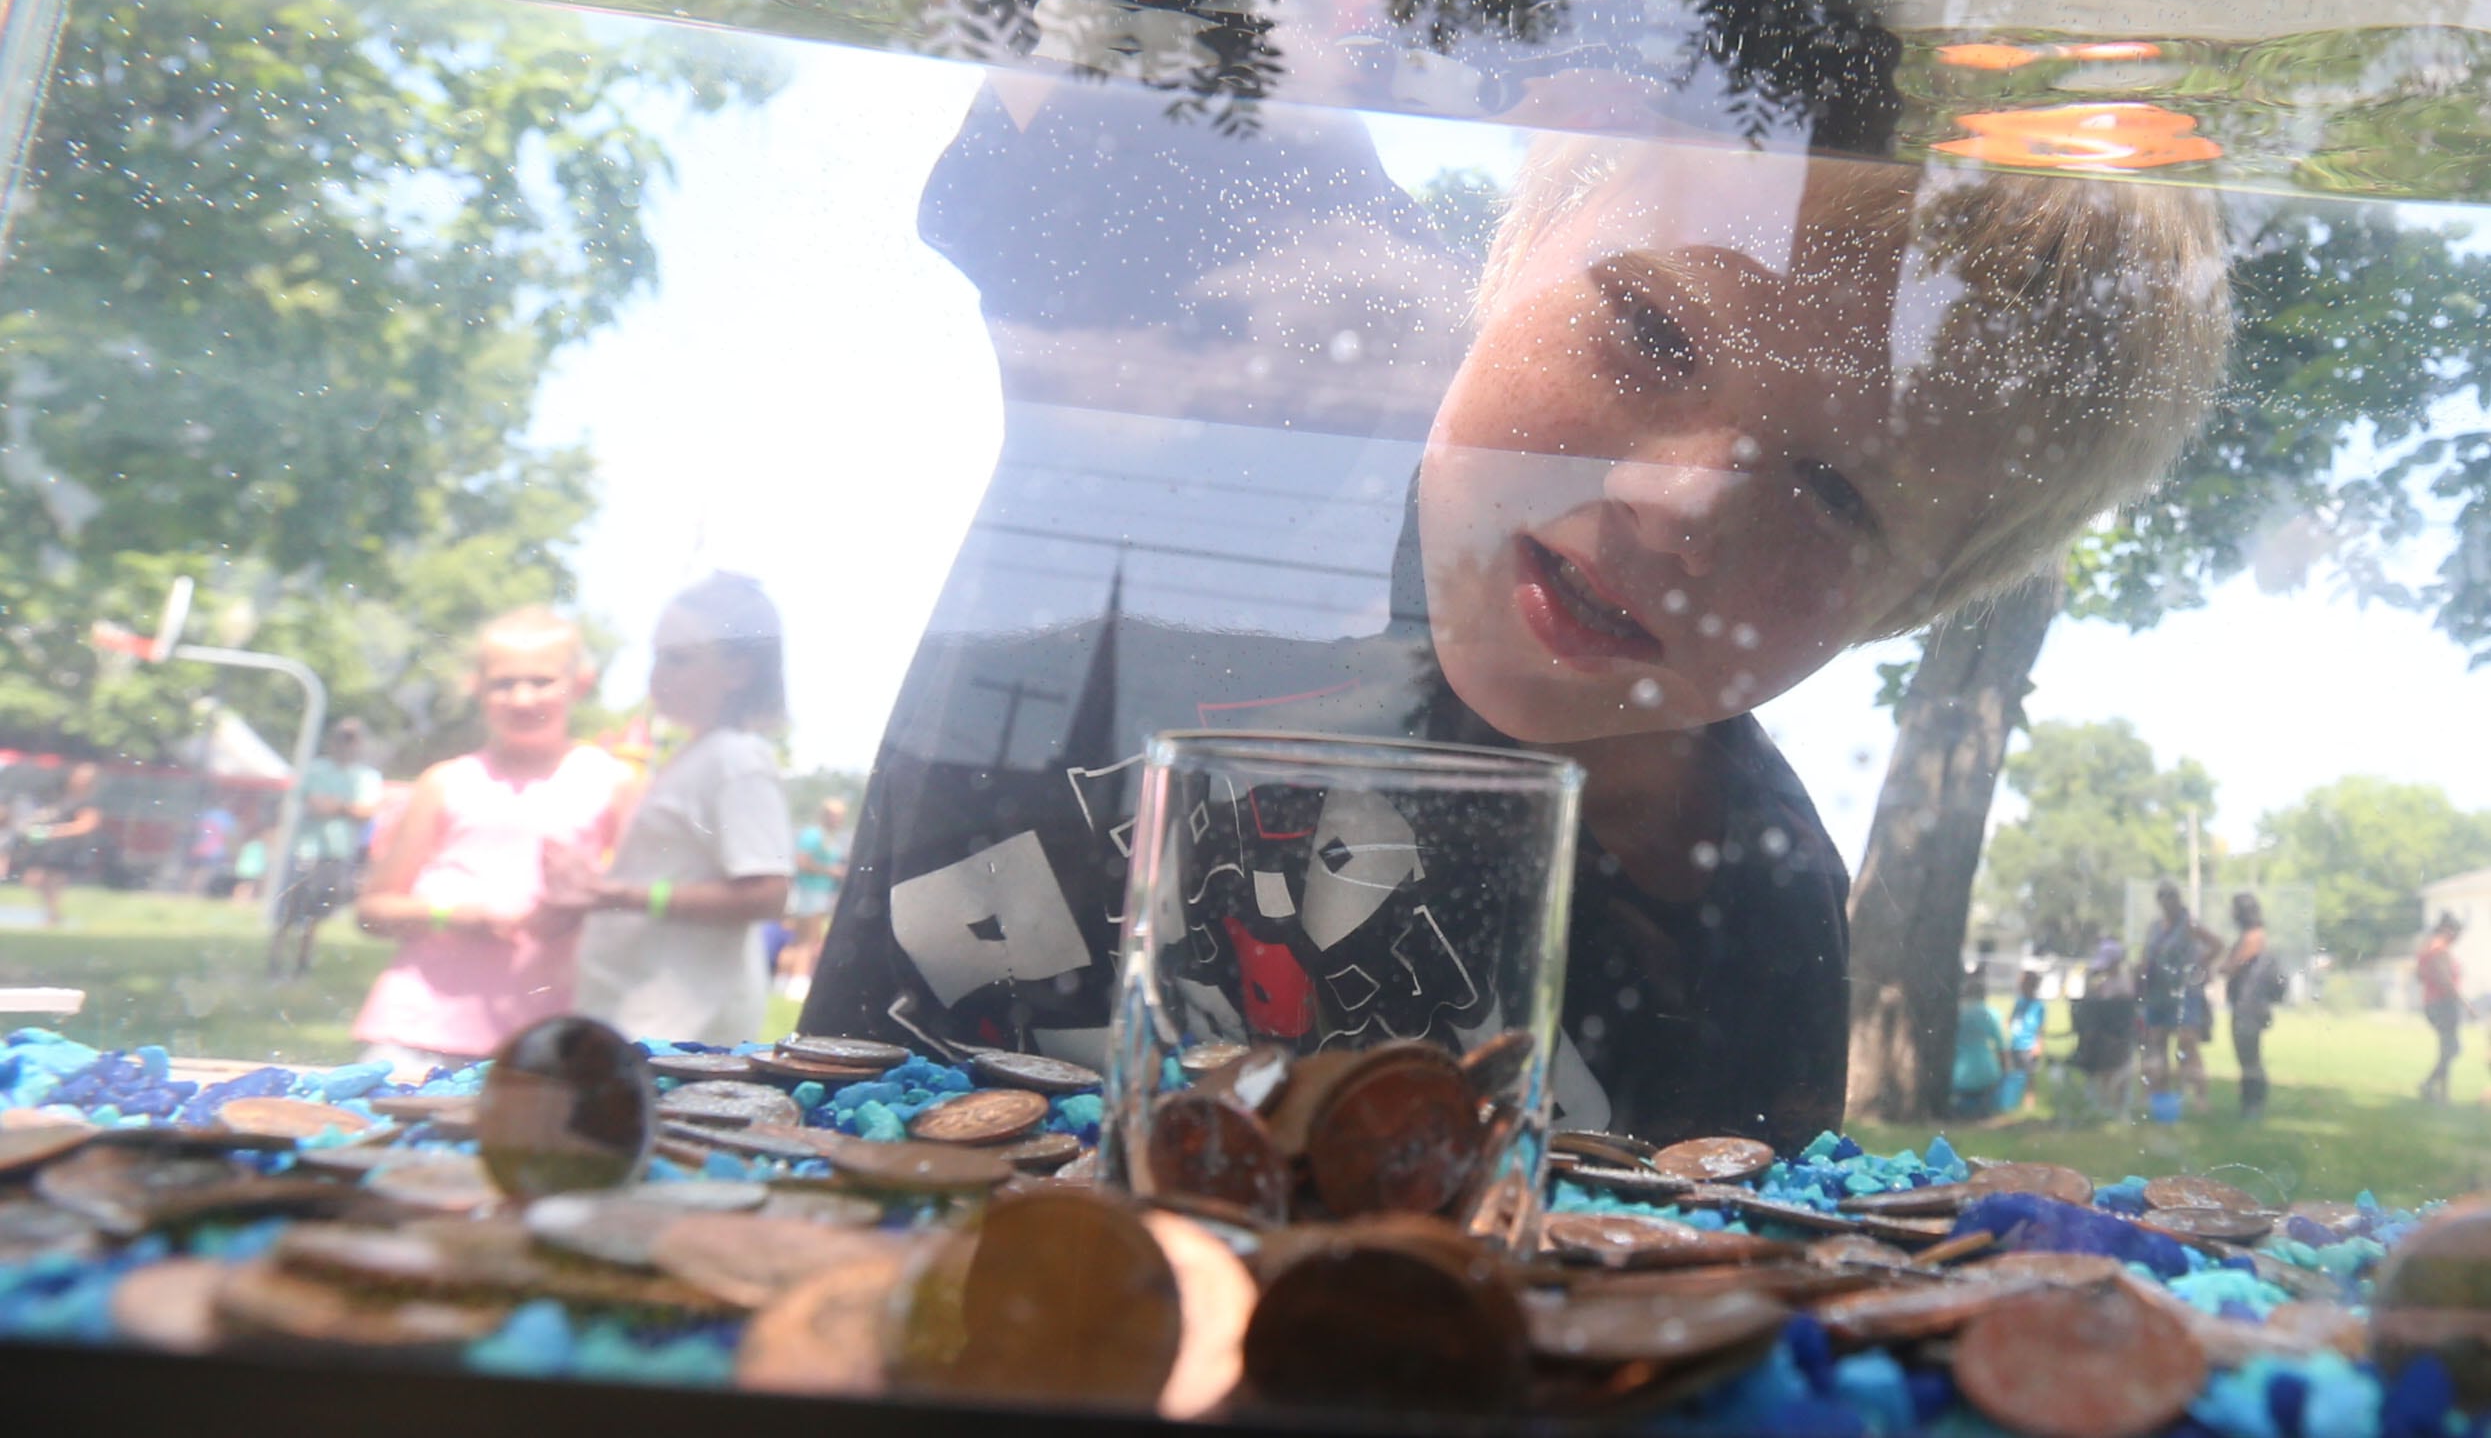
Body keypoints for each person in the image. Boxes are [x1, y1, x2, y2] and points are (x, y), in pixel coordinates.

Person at [804, 91, 2235, 1147]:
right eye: (1651, 332)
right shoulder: (1261, 333)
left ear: (1911, 602)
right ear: (1497, 261)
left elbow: (1688, 1309)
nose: (1679, 504)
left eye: (1833, 496)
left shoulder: (1744, 906)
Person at [349, 608, 633, 1079]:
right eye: (503, 683)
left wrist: (584, 907)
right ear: (476, 686)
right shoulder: (444, 782)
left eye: (542, 681)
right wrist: (453, 915)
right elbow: (373, 909)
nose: (522, 698)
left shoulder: (611, 781)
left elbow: (640, 907)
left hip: (549, 1035)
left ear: (580, 683)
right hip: (419, 1030)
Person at [547, 573, 796, 1047]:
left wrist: (620, 895)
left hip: (678, 1029)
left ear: (739, 670)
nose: (655, 676)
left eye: (678, 659)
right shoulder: (695, 755)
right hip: (636, 1012)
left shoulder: (736, 759)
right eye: (656, 657)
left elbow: (769, 893)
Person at [270, 718, 384, 977]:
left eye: (352, 739)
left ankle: (302, 964)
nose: (346, 745)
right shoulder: (316, 769)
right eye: (342, 737)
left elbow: (366, 811)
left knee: (315, 915)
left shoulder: (366, 776)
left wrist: (337, 806)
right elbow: (315, 804)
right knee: (289, 911)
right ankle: (275, 962)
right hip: (306, 850)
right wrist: (346, 807)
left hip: (337, 853)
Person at [2139, 883, 2223, 1110]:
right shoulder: (2155, 927)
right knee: (2156, 1043)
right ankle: (2159, 1096)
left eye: (2172, 898)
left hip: (2185, 992)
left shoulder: (2189, 924)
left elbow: (2217, 944)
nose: (2168, 903)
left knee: (2187, 1042)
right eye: (2164, 898)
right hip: (2158, 993)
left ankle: (2200, 1097)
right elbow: (2146, 954)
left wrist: (2201, 963)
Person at [16, 762, 106, 928]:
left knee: (52, 881)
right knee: (34, 879)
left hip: (67, 848)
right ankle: (52, 913)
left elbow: (86, 825)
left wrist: (54, 831)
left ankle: (53, 916)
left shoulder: (88, 803)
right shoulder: (62, 796)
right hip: (49, 846)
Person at [778, 797, 850, 998]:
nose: (838, 820)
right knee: (808, 939)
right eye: (835, 816)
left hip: (816, 892)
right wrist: (831, 871)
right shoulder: (813, 835)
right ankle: (798, 984)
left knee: (799, 939)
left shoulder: (827, 837)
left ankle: (782, 980)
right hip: (810, 891)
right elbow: (802, 862)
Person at [2220, 891, 2280, 1120]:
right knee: (2246, 1057)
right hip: (2245, 1004)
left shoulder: (2254, 937)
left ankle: (2253, 1105)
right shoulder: (2249, 936)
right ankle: (2249, 1103)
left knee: (2250, 1058)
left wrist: (2224, 965)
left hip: (2250, 1006)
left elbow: (2232, 965)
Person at [2070, 939, 2141, 1114]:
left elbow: (2120, 1008)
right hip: (2103, 1038)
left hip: (2118, 1037)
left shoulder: (2124, 983)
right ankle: (2103, 1105)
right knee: (2104, 1070)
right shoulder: (2104, 983)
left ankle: (2118, 1105)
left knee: (2117, 1072)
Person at [2416, 912, 2470, 1104]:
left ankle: (2440, 1093)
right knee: (2450, 1048)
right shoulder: (2438, 948)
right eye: (2457, 933)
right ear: (2448, 930)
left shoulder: (2431, 946)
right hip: (2442, 1004)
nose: (2458, 938)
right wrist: (2467, 1005)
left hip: (2436, 1003)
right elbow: (2445, 981)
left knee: (2448, 1049)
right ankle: (2433, 1088)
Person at [1950, 966, 2008, 1119]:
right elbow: (2001, 1047)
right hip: (1986, 1073)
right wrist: (2005, 1071)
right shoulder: (1990, 1014)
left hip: (1958, 1074)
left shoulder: (1955, 1014)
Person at [2004, 967, 2048, 1110]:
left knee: (2029, 1075)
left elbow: (2040, 1028)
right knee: (2015, 1073)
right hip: (2016, 1043)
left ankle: (2029, 1104)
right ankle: (2013, 1101)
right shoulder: (2019, 1002)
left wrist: (2038, 1044)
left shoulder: (2038, 1006)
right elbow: (2011, 1020)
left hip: (2029, 1045)